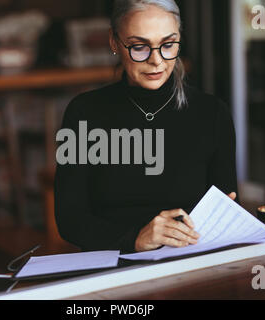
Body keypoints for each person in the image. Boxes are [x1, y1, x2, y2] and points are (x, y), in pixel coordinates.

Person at [54, 0, 238, 253]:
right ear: (114, 42)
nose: (156, 60)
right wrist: (135, 239)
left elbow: (227, 204)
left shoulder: (213, 113)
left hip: (189, 262)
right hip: (113, 267)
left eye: (168, 45)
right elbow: (70, 220)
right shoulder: (84, 113)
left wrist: (224, 218)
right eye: (139, 46)